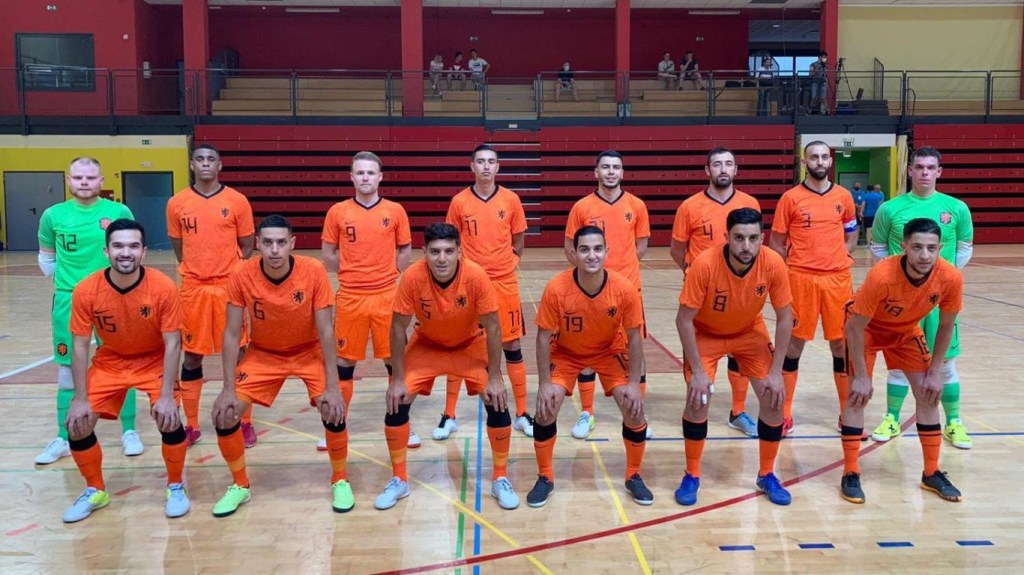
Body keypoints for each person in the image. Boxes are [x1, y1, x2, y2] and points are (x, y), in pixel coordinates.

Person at [210, 215, 349, 517]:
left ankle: (340, 479)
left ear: (292, 244)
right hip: (263, 353)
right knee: (225, 414)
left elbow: (326, 330)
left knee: (332, 408)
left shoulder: (313, 271)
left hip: (308, 351)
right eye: (268, 243)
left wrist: (333, 385)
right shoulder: (242, 274)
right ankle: (240, 485)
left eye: (281, 242)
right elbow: (232, 333)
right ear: (257, 243)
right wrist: (227, 388)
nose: (274, 250)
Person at [376, 223, 519, 511]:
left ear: (459, 252)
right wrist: (397, 379)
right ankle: (399, 479)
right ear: (424, 252)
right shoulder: (413, 277)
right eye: (435, 252)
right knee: (396, 401)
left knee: (497, 401)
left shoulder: (476, 276)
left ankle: (500, 478)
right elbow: (397, 328)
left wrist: (495, 377)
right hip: (427, 344)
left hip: (470, 344)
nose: (442, 258)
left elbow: (493, 327)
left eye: (448, 251)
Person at [62, 219, 188, 522]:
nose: (126, 252)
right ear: (106, 251)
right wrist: (80, 398)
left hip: (154, 360)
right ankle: (95, 490)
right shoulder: (86, 290)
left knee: (169, 419)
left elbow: (173, 343)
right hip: (111, 360)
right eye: (118, 246)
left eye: (133, 246)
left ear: (144, 251)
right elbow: (80, 345)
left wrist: (167, 395)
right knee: (78, 424)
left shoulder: (163, 287)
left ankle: (176, 486)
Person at [674, 208, 795, 507]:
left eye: (753, 238)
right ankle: (692, 474)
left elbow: (784, 318)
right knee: (698, 399)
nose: (746, 246)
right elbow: (683, 320)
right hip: (705, 332)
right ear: (726, 237)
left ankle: (766, 474)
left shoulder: (773, 263)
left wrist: (776, 372)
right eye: (739, 238)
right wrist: (698, 372)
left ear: (762, 238)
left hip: (749, 331)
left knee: (773, 400)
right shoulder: (704, 264)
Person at [841, 217, 964, 504]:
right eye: (917, 247)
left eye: (931, 248)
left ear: (940, 248)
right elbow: (854, 327)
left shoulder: (950, 277)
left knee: (929, 394)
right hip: (866, 331)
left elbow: (946, 325)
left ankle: (931, 472)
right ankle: (850, 472)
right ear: (903, 246)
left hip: (906, 331)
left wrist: (935, 372)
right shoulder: (882, 275)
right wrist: (862, 377)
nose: (925, 255)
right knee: (857, 396)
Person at [526, 225, 651, 508]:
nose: (591, 255)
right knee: (546, 408)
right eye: (584, 249)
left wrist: (634, 383)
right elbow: (543, 338)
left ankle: (633, 475)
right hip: (566, 352)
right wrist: (544, 384)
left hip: (609, 350)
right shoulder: (557, 288)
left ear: (607, 252)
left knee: (634, 408)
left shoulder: (623, 288)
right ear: (574, 253)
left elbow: (634, 338)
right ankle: (545, 476)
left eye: (597, 249)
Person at [36, 157, 143, 465]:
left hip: (113, 298)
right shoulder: (52, 215)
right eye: (78, 177)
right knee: (68, 370)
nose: (84, 182)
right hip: (69, 301)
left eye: (91, 177)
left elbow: (130, 253)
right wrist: (74, 286)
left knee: (122, 361)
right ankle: (64, 437)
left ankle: (129, 431)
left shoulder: (119, 212)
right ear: (68, 180)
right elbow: (47, 261)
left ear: (101, 181)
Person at [867, 148, 974, 449]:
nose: (924, 172)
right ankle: (891, 418)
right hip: (900, 303)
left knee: (945, 363)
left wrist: (938, 281)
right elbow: (878, 249)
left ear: (939, 171)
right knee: (899, 363)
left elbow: (965, 247)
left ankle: (953, 422)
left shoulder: (956, 208)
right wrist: (899, 282)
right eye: (919, 167)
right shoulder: (890, 209)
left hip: (938, 301)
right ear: (910, 171)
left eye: (930, 167)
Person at [321, 151, 419, 450]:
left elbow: (405, 249)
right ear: (352, 177)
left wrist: (390, 274)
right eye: (360, 173)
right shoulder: (337, 212)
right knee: (343, 362)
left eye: (370, 173)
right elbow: (327, 253)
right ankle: (337, 421)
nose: (365, 177)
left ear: (380, 177)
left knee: (395, 361)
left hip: (386, 296)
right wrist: (350, 274)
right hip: (350, 297)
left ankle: (401, 421)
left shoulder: (395, 210)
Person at [438, 145, 532, 441]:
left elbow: (519, 239)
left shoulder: (511, 199)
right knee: (458, 345)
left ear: (498, 167)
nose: (486, 166)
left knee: (511, 345)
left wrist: (509, 262)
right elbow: (449, 242)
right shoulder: (459, 201)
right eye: (481, 161)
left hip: (504, 283)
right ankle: (449, 415)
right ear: (472, 166)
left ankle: (522, 413)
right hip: (469, 285)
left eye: (491, 161)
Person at [166, 144, 255, 448]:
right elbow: (179, 247)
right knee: (192, 355)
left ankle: (244, 421)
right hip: (194, 289)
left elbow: (246, 245)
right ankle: (191, 424)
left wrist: (229, 271)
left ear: (220, 165)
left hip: (229, 288)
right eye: (200, 159)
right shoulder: (177, 203)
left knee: (240, 352)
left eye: (211, 159)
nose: (205, 164)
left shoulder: (237, 201)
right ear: (192, 164)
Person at [768, 141, 860, 438]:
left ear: (830, 162)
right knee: (794, 344)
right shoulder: (790, 198)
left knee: (841, 345)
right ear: (804, 162)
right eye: (814, 157)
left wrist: (843, 254)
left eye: (824, 157)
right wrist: (793, 268)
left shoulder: (843, 196)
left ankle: (847, 414)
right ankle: (784, 414)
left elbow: (851, 231)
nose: (819, 161)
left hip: (837, 280)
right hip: (802, 279)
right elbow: (776, 243)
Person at [669, 147, 761, 438]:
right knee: (699, 365)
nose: (723, 169)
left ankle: (738, 411)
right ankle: (697, 420)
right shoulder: (690, 207)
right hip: (703, 298)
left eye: (729, 164)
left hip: (741, 291)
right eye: (717, 164)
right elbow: (677, 249)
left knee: (738, 353)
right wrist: (693, 272)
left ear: (736, 170)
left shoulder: (749, 203)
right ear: (707, 171)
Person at [564, 150, 650, 440]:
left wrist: (619, 276)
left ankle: (637, 411)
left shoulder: (636, 205)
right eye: (605, 167)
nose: (611, 172)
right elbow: (570, 247)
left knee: (635, 349)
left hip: (628, 291)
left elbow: (640, 246)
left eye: (616, 167)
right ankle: (587, 412)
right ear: (596, 172)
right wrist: (592, 274)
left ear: (622, 173)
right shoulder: (581, 207)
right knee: (588, 349)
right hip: (591, 293)